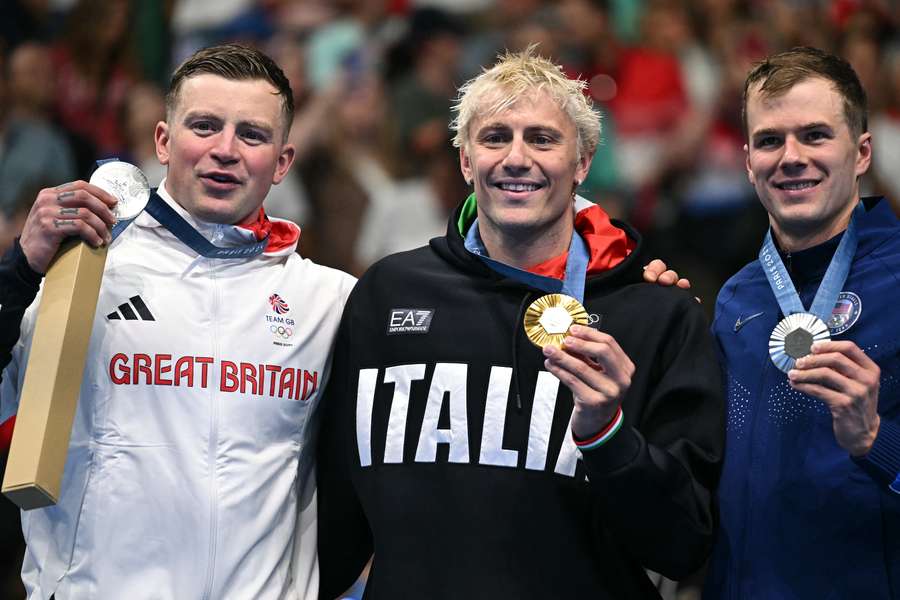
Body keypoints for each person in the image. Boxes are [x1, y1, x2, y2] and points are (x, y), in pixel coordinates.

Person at [315, 47, 725, 599]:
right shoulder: (387, 297)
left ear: (582, 163)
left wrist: (608, 436)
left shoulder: (655, 314)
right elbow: (336, 516)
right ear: (465, 161)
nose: (516, 157)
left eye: (542, 138)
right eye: (494, 137)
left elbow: (684, 544)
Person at [0, 44, 355, 599]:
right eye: (205, 126)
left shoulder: (328, 302)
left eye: (252, 135)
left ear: (283, 162)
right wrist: (18, 270)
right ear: (162, 141)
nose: (225, 150)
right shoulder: (80, 270)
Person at [645, 47, 900, 598]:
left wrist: (876, 440)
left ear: (861, 153)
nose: (791, 157)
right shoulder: (737, 297)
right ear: (748, 161)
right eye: (769, 140)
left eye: (814, 135)